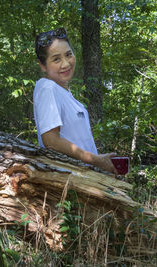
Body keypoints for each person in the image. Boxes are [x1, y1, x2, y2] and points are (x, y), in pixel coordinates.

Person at [33, 27, 117, 174]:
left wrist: (100, 161)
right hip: (72, 181)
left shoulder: (65, 94)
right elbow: (51, 141)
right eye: (56, 59)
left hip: (88, 180)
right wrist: (96, 160)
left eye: (68, 54)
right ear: (42, 65)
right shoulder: (47, 87)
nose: (66, 64)